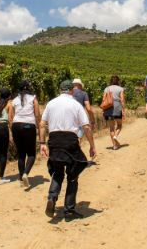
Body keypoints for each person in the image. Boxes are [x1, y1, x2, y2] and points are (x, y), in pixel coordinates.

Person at [39, 80, 96, 220]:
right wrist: (92, 145)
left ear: (60, 90)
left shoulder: (51, 103)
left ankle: (52, 197)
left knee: (58, 173)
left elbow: (42, 124)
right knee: (72, 176)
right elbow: (86, 127)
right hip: (70, 141)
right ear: (72, 90)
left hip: (54, 140)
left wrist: (42, 143)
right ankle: (69, 210)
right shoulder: (76, 105)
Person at [10, 80, 43, 188]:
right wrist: (39, 127)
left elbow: (11, 116)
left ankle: (20, 178)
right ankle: (25, 173)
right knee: (32, 154)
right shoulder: (33, 98)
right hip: (28, 125)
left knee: (21, 154)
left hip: (16, 125)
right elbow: (37, 114)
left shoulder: (14, 99)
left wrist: (13, 128)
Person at [103, 75, 126, 150]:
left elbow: (104, 99)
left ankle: (114, 146)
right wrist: (123, 110)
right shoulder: (120, 89)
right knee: (119, 125)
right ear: (118, 81)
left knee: (111, 128)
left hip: (108, 109)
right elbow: (122, 100)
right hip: (117, 108)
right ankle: (115, 136)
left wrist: (104, 110)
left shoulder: (107, 88)